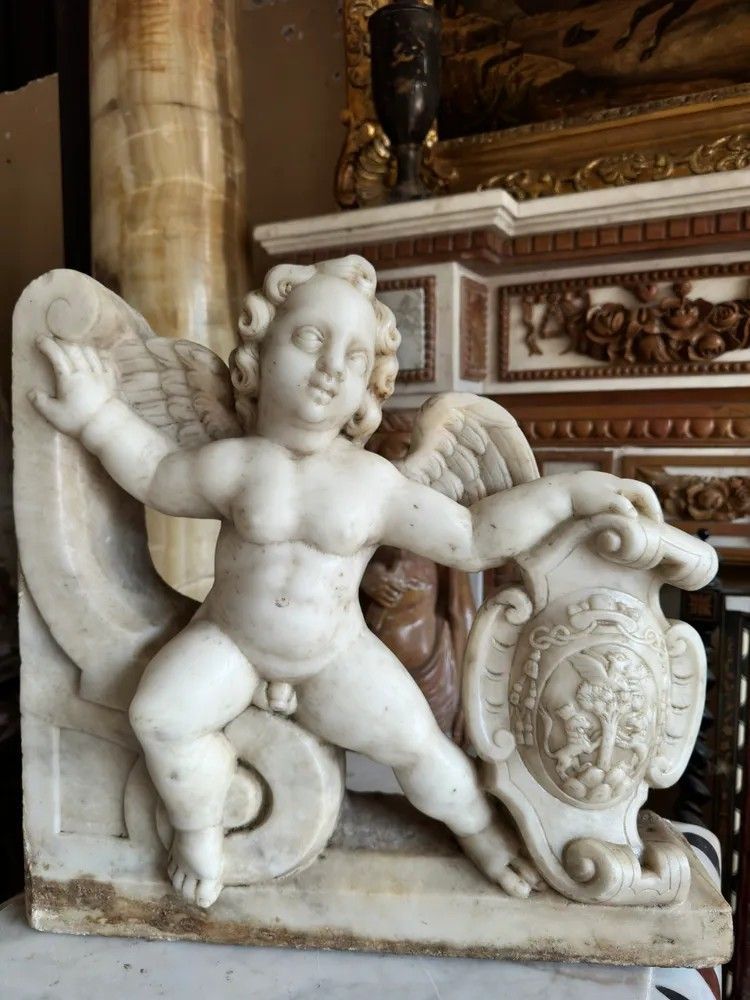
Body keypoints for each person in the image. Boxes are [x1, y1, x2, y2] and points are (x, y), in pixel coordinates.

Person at [30, 255, 660, 907]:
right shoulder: (236, 464)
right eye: (310, 339)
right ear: (260, 353)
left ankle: (481, 833)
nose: (331, 367)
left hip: (333, 654)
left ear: (367, 387)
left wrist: (565, 495)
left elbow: (473, 536)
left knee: (422, 749)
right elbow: (157, 474)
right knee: (160, 716)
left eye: (354, 357)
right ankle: (198, 829)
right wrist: (96, 415)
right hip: (233, 643)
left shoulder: (372, 482)